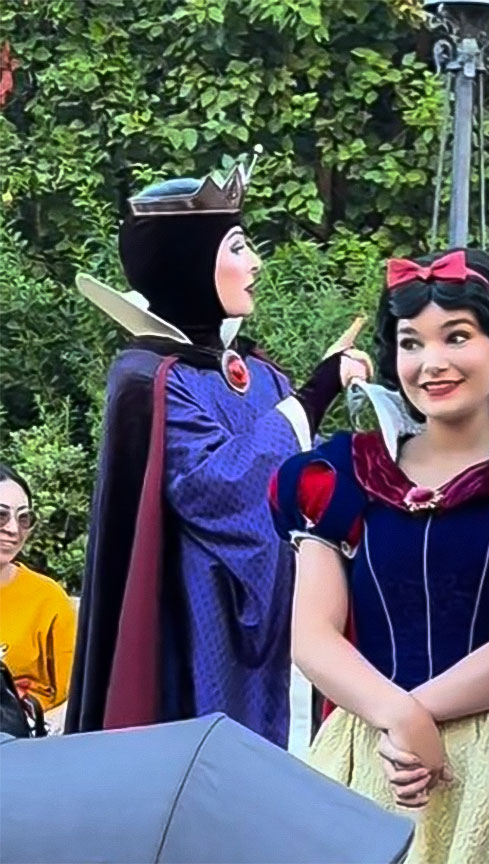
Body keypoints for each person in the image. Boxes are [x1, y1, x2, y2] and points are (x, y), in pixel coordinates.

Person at [270, 248, 489, 863]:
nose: (431, 362)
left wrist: (414, 717)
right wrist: (394, 716)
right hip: (366, 752)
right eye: (412, 343)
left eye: (456, 337)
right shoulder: (341, 473)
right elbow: (312, 636)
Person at [66, 159, 369, 748]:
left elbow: (298, 488)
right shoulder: (150, 378)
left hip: (279, 624)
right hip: (193, 629)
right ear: (189, 264)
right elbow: (221, 487)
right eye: (237, 247)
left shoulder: (261, 373)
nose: (255, 263)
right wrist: (316, 393)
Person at [0, 463, 77, 714]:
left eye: (24, 518)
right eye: (1, 515)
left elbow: (74, 699)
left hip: (25, 733)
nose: (13, 529)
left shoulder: (48, 599)